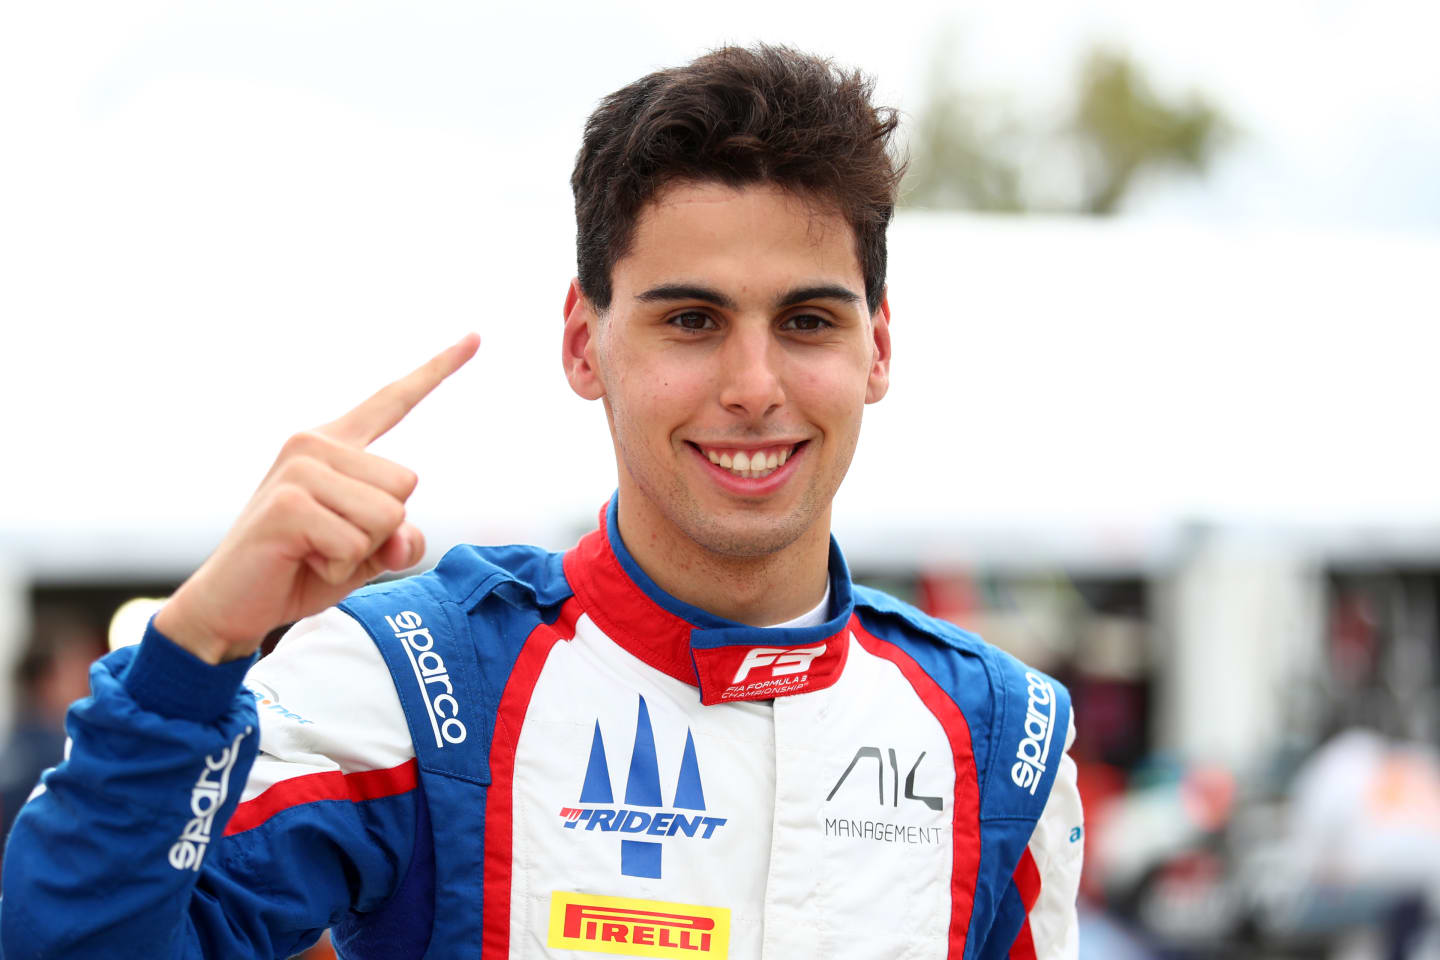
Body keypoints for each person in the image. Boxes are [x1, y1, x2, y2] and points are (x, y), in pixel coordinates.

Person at [1, 44, 1083, 959]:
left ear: (876, 351)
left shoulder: (1004, 737)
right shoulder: (418, 683)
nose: (755, 387)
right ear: (583, 343)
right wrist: (196, 650)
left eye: (807, 322)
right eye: (691, 321)